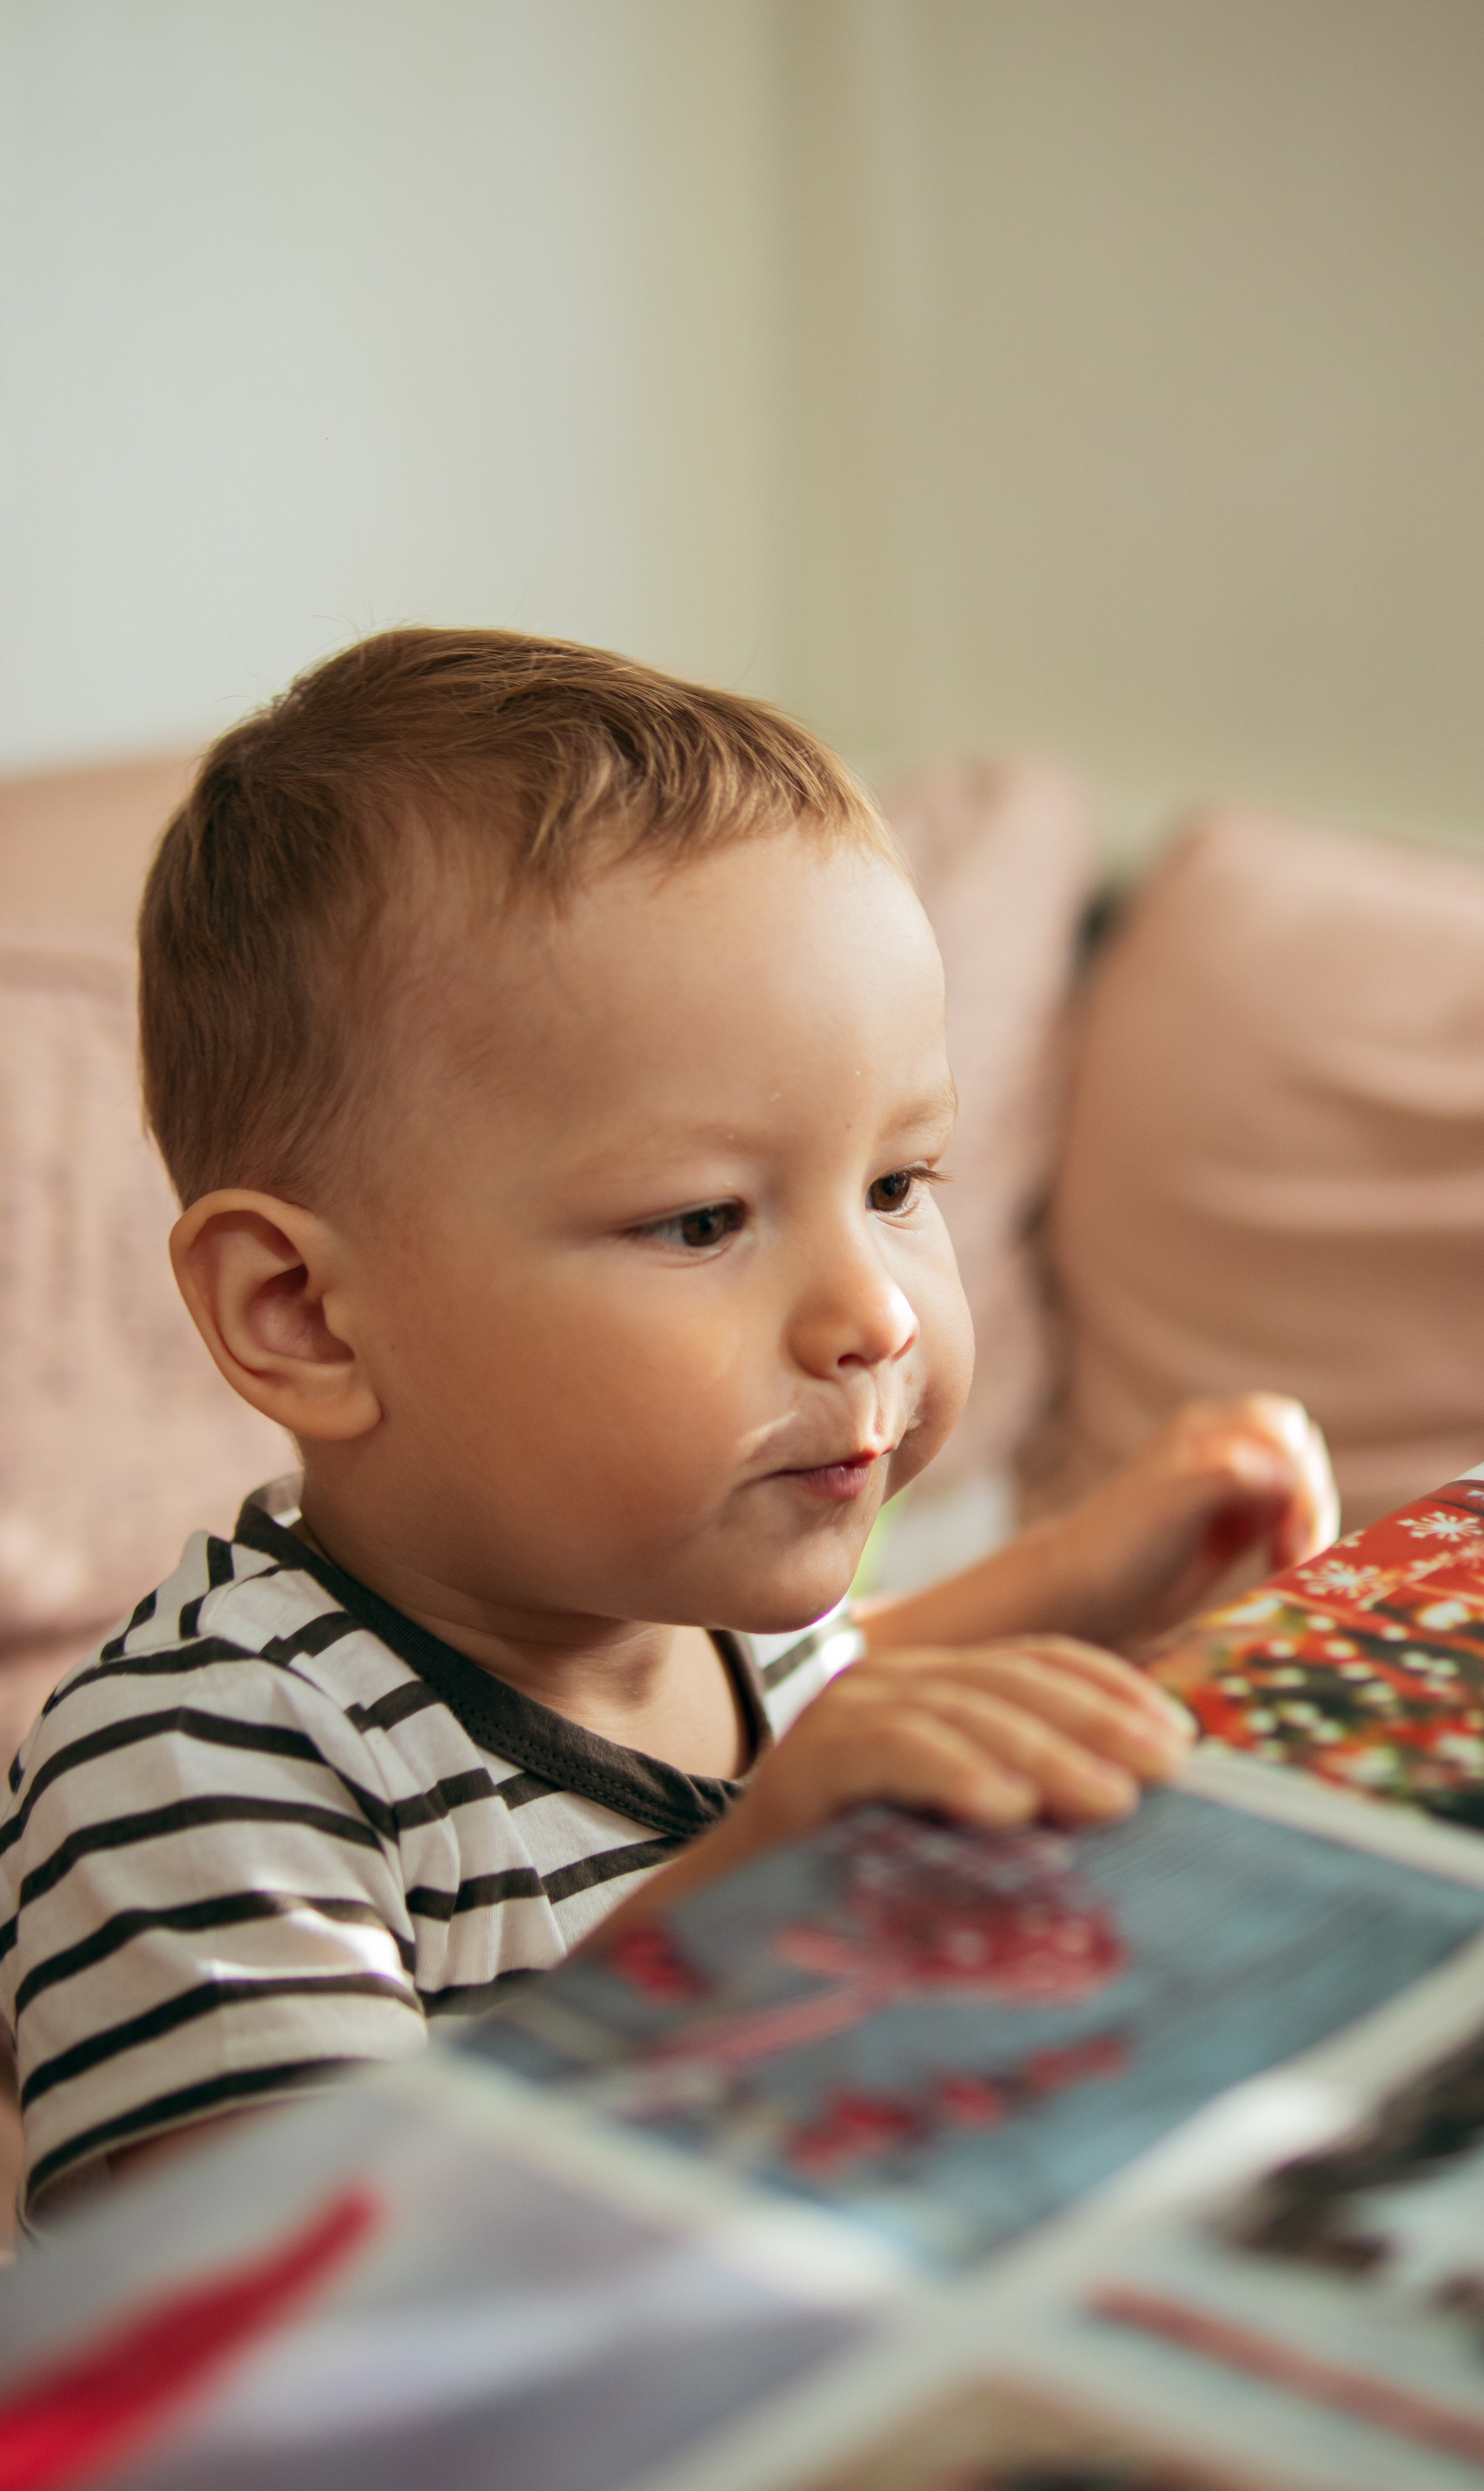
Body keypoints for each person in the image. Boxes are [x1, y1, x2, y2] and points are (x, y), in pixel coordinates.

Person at [0, 631, 1335, 2225]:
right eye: (704, 1220)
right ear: (303, 1313)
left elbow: (846, 1699)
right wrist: (747, 1888)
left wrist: (1096, 1574)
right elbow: (281, 2309)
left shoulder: (663, 1587)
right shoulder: (189, 1774)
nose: (880, 1315)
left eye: (897, 1185)